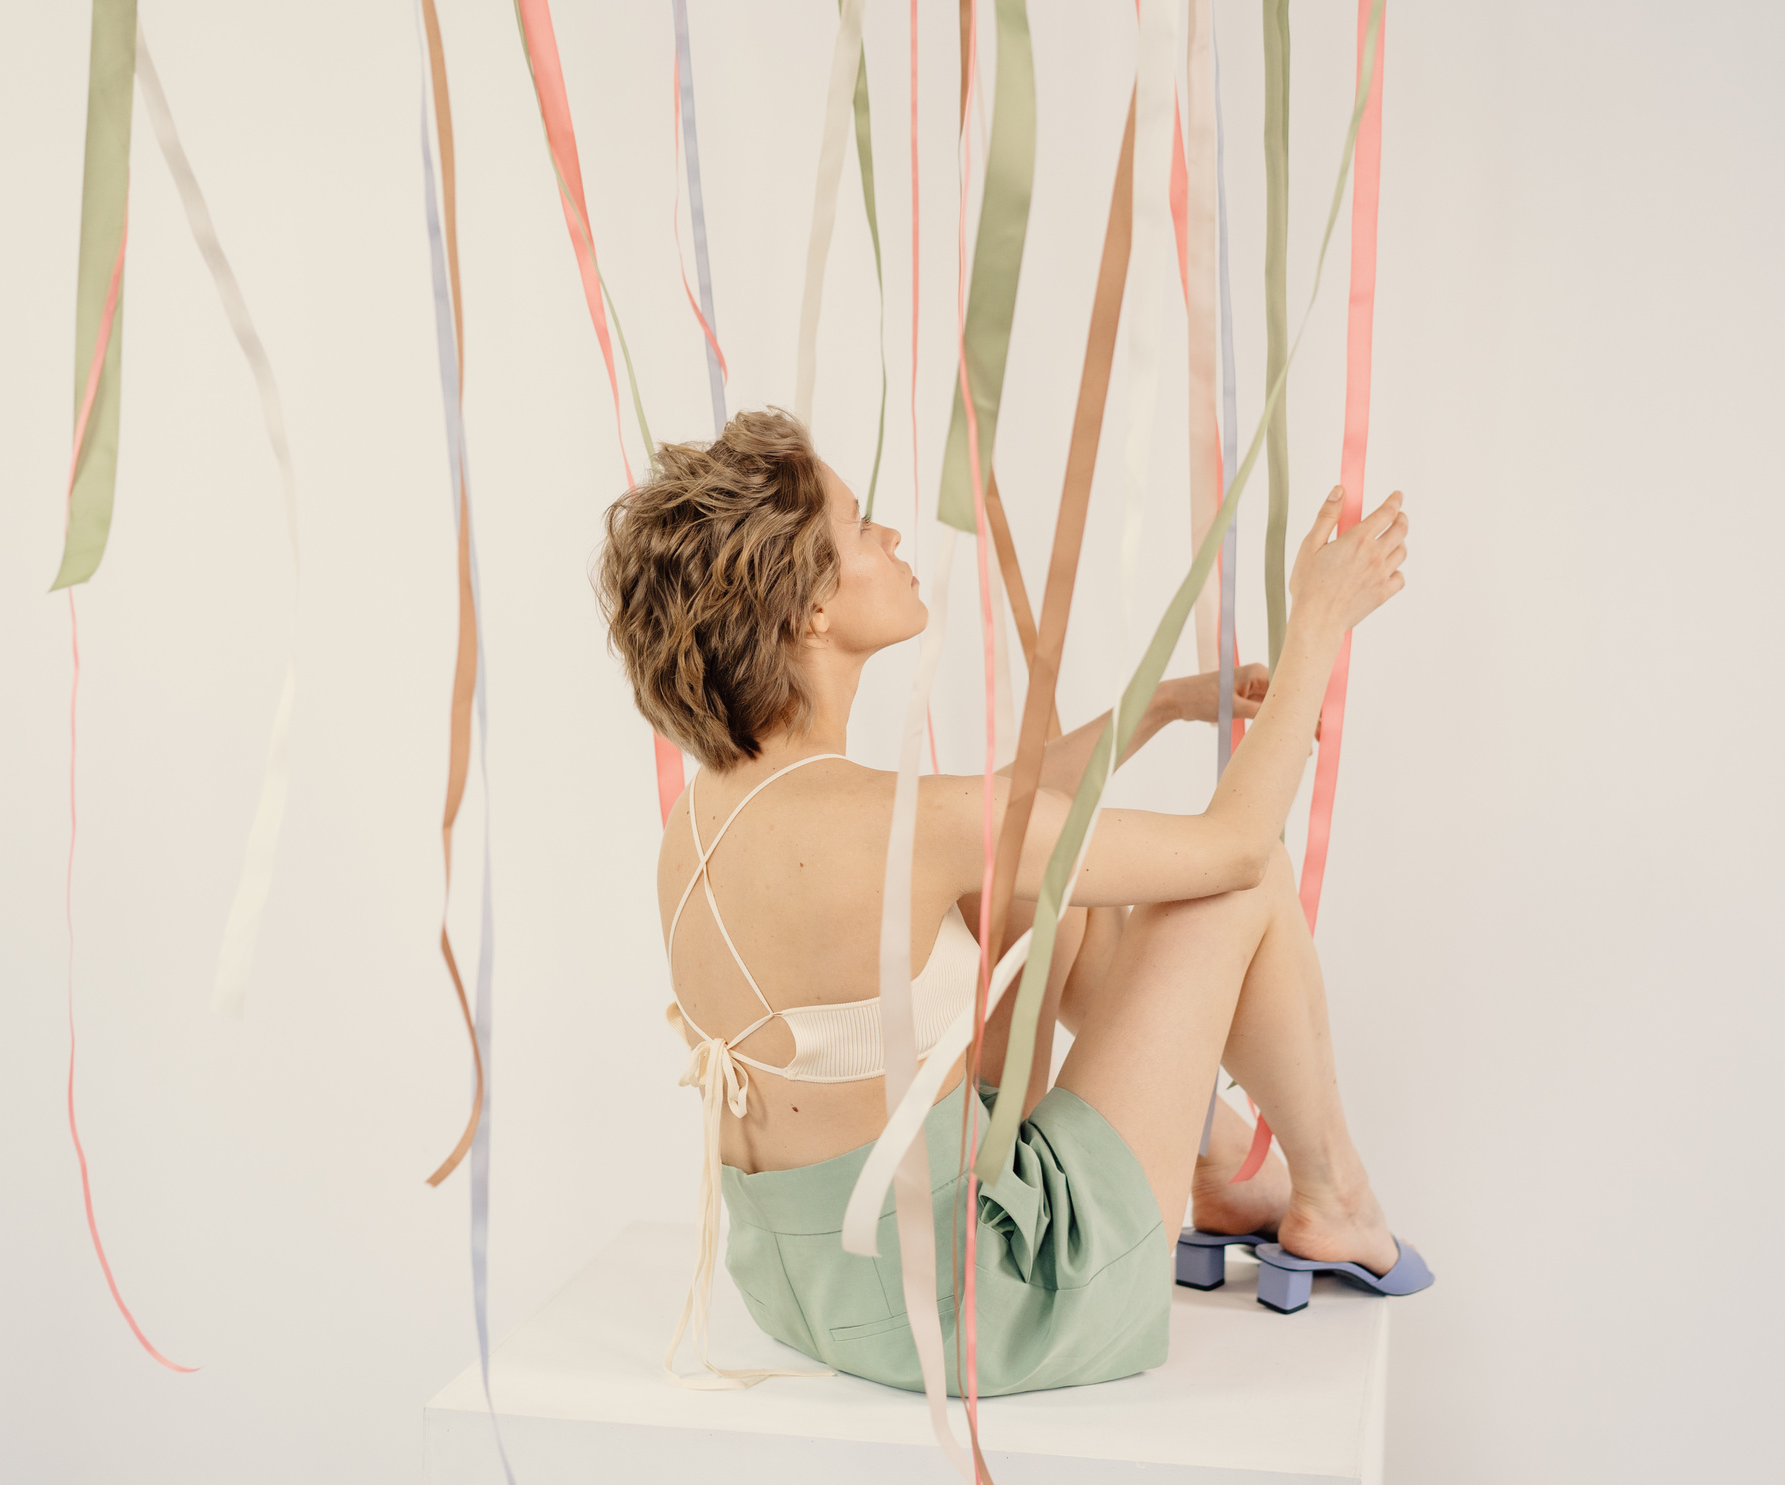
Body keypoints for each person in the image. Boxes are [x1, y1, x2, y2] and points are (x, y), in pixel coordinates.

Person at [595, 409, 1430, 1397]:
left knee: (1038, 898)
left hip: (809, 1290)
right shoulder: (897, 822)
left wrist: (1152, 709)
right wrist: (1318, 629)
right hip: (977, 1311)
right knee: (1236, 890)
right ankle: (1330, 1193)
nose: (892, 539)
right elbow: (1231, 849)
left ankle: (1216, 1166)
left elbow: (1000, 822)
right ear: (807, 611)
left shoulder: (707, 819)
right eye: (860, 525)